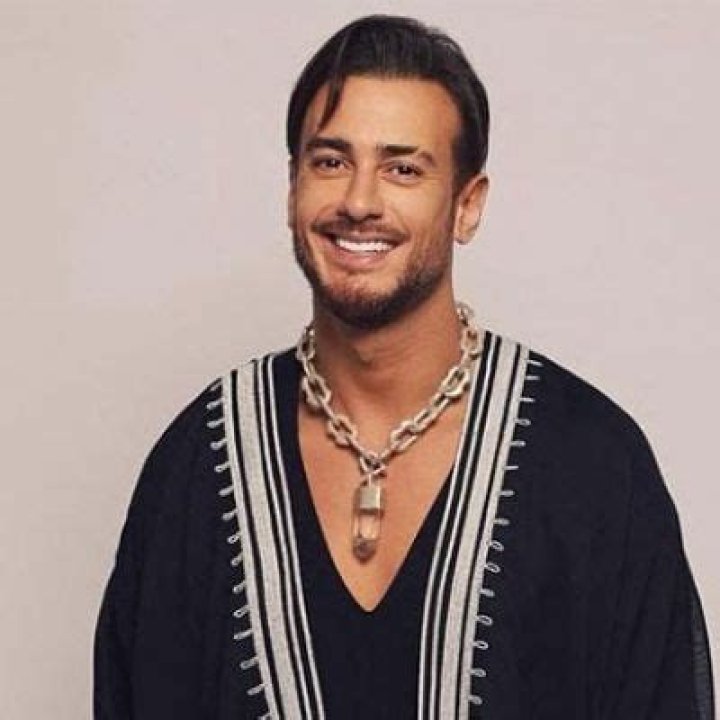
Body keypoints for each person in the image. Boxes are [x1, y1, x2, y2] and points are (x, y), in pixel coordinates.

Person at [94, 14, 714, 720]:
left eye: (403, 169)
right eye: (331, 162)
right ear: (292, 188)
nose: (360, 202)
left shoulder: (595, 467)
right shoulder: (197, 468)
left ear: (467, 205)